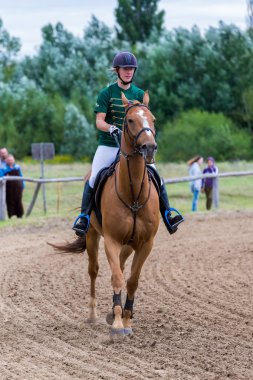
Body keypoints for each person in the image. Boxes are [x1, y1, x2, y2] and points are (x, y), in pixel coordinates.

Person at [73, 51, 184, 237]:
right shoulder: (106, 93)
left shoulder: (140, 94)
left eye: (131, 69)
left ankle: (167, 214)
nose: (128, 72)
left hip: (135, 146)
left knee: (156, 176)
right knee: (93, 178)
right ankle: (84, 218)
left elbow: (146, 119)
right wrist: (111, 129)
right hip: (109, 144)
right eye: (125, 69)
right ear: (117, 70)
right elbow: (99, 121)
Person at [4, 154, 24, 218]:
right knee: (10, 202)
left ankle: (20, 215)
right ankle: (10, 216)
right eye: (9, 160)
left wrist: (23, 185)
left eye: (11, 160)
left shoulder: (17, 167)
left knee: (18, 201)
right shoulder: (4, 168)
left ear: (14, 160)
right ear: (6, 161)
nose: (10, 161)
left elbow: (21, 176)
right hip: (9, 189)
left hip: (18, 188)